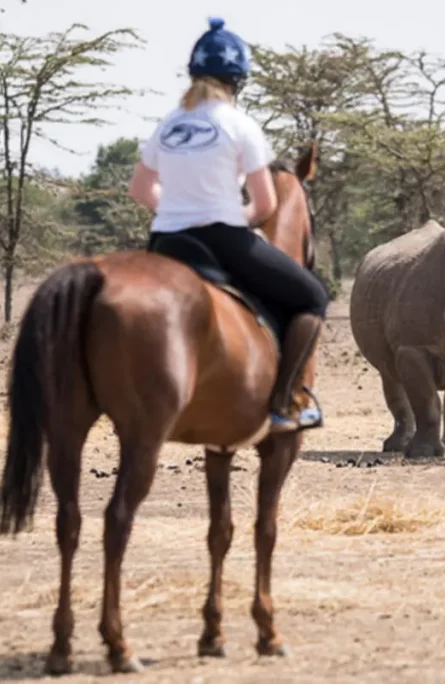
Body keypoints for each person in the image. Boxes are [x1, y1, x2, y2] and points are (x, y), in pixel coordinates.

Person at [128, 16, 328, 433]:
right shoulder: (240, 125)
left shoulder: (168, 124)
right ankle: (283, 404)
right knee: (312, 297)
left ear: (194, 73)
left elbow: (141, 191)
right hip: (222, 239)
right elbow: (264, 204)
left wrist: (178, 210)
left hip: (165, 242)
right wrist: (232, 218)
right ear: (238, 80)